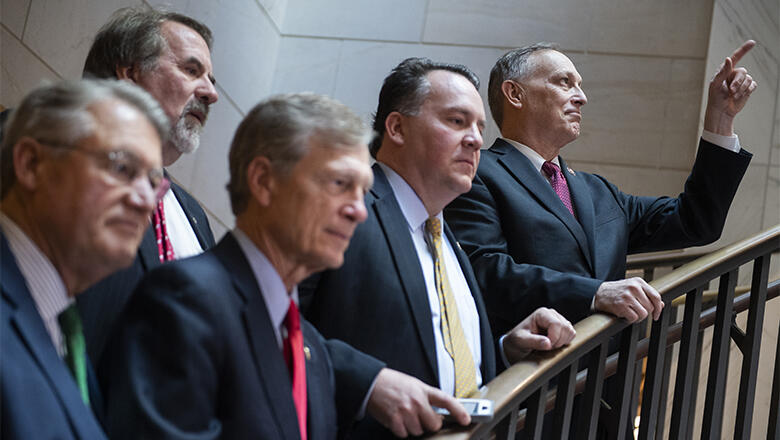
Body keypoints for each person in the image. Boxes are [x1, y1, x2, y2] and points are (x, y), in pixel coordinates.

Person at [103, 93, 472, 440]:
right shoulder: (186, 301)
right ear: (264, 181)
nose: (358, 211)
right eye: (339, 183)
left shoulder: (307, 345)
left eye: (361, 192)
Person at [302, 58, 576, 439]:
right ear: (397, 127)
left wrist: (503, 350)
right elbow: (266, 318)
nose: (476, 139)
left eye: (479, 127)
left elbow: (438, 361)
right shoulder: (340, 206)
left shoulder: (450, 241)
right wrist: (366, 384)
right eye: (457, 121)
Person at [445, 41, 756, 336]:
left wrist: (720, 119)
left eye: (580, 85)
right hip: (531, 366)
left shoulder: (599, 191)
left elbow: (695, 222)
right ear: (515, 94)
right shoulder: (478, 172)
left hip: (612, 370)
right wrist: (595, 294)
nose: (581, 97)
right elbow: (482, 271)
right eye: (564, 82)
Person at [1, 79, 168, 439]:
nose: (145, 201)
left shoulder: (66, 333)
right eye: (122, 168)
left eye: (153, 183)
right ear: (31, 164)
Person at [78, 7, 219, 363]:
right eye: (191, 70)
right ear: (130, 73)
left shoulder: (194, 216)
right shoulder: (55, 152)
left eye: (211, 80)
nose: (210, 93)